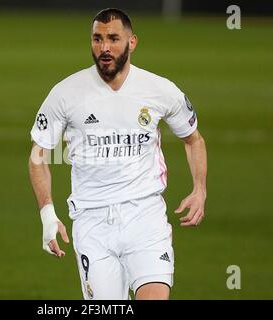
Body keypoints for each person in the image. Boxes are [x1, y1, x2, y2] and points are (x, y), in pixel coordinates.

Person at [28, 8, 207, 300]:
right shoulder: (65, 94)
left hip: (145, 217)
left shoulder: (159, 90)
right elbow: (39, 156)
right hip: (92, 222)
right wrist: (48, 215)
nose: (104, 47)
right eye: (97, 39)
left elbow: (194, 140)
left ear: (132, 42)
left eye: (113, 38)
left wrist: (199, 189)